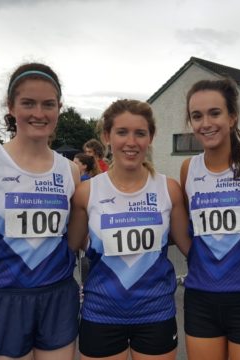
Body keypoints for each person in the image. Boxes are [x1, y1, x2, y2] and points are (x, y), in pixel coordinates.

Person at [0, 63, 81, 360]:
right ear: (11, 107)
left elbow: (75, 239)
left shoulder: (69, 171)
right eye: (28, 103)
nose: (39, 113)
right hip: (4, 300)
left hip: (58, 298)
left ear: (59, 108)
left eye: (48, 104)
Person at [68, 99, 191, 360]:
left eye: (140, 133)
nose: (131, 142)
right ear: (107, 136)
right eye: (122, 132)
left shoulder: (168, 189)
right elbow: (68, 245)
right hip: (101, 312)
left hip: (155, 312)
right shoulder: (86, 192)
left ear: (151, 137)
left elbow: (189, 246)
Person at [180, 78, 240, 360]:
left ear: (232, 117)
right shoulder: (189, 169)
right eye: (197, 116)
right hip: (201, 298)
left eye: (215, 113)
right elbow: (192, 229)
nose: (205, 123)